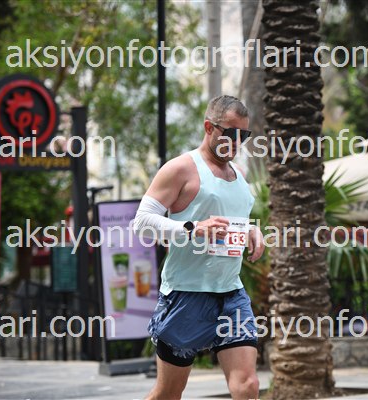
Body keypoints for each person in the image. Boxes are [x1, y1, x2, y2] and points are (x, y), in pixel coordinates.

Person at [133, 95, 264, 400]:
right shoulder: (181, 169)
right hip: (186, 294)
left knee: (248, 385)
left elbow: (232, 220)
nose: (237, 141)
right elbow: (141, 222)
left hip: (231, 294)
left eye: (244, 135)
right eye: (230, 133)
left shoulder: (240, 175)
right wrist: (192, 229)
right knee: (168, 393)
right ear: (209, 127)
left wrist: (252, 230)